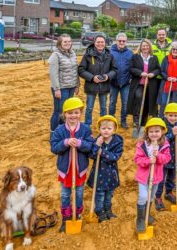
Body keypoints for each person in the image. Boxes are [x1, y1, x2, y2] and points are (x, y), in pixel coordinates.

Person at [50, 97, 93, 233]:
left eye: (76, 112)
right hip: (65, 170)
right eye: (70, 113)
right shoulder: (59, 130)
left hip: (79, 170)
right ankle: (66, 217)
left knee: (79, 193)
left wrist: (80, 144)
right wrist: (65, 143)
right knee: (65, 194)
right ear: (65, 114)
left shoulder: (85, 129)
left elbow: (90, 147)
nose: (73, 115)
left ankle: (78, 213)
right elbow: (54, 147)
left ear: (81, 113)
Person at [134, 118, 171, 233]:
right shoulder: (142, 144)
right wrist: (148, 160)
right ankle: (140, 219)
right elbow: (137, 159)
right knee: (143, 197)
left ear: (162, 132)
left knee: (150, 197)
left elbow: (167, 159)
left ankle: (147, 214)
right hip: (143, 177)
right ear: (147, 132)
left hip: (156, 177)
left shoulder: (165, 144)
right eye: (151, 132)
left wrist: (158, 156)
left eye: (157, 131)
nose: (154, 134)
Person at [87, 115, 123, 222]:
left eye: (109, 128)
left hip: (111, 174)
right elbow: (91, 155)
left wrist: (102, 152)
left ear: (114, 129)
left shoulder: (118, 141)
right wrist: (96, 146)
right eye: (103, 128)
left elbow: (115, 157)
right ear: (99, 129)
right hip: (99, 174)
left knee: (109, 195)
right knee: (100, 195)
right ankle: (99, 210)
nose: (106, 131)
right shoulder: (97, 140)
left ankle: (108, 209)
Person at [154, 103, 177, 211]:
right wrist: (172, 134)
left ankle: (168, 192)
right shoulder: (162, 126)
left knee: (171, 178)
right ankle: (158, 197)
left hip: (176, 157)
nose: (173, 118)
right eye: (171, 115)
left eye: (176, 115)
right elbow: (161, 141)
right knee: (161, 179)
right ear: (166, 115)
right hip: (164, 158)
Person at [78, 35, 117, 127]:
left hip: (104, 86)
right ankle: (87, 125)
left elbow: (114, 70)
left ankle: (103, 125)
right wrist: (92, 77)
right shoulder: (87, 55)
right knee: (89, 108)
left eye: (102, 42)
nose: (100, 44)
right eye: (98, 42)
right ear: (94, 43)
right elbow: (81, 70)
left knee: (103, 108)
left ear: (105, 43)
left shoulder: (110, 55)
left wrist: (108, 76)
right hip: (91, 86)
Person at [48, 34, 79, 137]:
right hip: (61, 88)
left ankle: (62, 132)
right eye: (65, 42)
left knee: (66, 111)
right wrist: (57, 89)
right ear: (60, 43)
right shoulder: (55, 55)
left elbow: (75, 70)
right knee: (58, 111)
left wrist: (77, 85)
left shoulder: (73, 54)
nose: (67, 43)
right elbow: (53, 74)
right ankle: (53, 133)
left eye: (69, 41)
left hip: (71, 87)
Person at [127, 39, 161, 131]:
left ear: (149, 47)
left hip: (150, 85)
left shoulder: (154, 57)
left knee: (147, 102)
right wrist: (140, 73)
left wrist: (153, 74)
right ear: (141, 47)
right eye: (143, 46)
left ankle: (143, 122)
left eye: (147, 46)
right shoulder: (135, 57)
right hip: (139, 84)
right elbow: (131, 68)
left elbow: (158, 69)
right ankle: (136, 120)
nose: (145, 47)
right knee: (138, 97)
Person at [109, 33, 133, 129]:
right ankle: (111, 120)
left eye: (124, 41)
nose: (122, 42)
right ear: (116, 41)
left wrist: (130, 78)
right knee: (112, 102)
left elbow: (132, 67)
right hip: (113, 83)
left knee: (125, 103)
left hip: (125, 83)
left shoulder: (130, 53)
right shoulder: (110, 52)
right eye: (120, 41)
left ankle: (123, 121)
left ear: (126, 42)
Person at [157, 41, 177, 118]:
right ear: (171, 50)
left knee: (175, 103)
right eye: (174, 49)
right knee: (164, 102)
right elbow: (161, 71)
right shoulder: (165, 59)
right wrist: (167, 77)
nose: (175, 51)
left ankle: (173, 120)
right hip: (165, 84)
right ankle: (161, 118)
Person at [152, 28, 172, 92]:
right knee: (154, 95)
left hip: (167, 75)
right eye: (159, 34)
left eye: (163, 34)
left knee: (164, 95)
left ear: (166, 35)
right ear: (157, 35)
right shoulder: (152, 46)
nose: (161, 36)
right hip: (155, 76)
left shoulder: (171, 46)